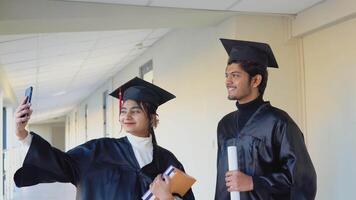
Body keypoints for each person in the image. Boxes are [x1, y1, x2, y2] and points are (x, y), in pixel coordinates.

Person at [14, 77, 195, 200]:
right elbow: (61, 163)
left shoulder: (167, 162)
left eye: (136, 111)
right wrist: (22, 133)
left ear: (153, 118)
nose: (127, 116)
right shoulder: (98, 151)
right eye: (124, 111)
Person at [214, 39, 317, 200]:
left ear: (256, 80)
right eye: (227, 75)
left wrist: (254, 182)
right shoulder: (225, 125)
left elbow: (302, 181)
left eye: (235, 75)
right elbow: (222, 183)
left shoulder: (278, 122)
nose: (228, 81)